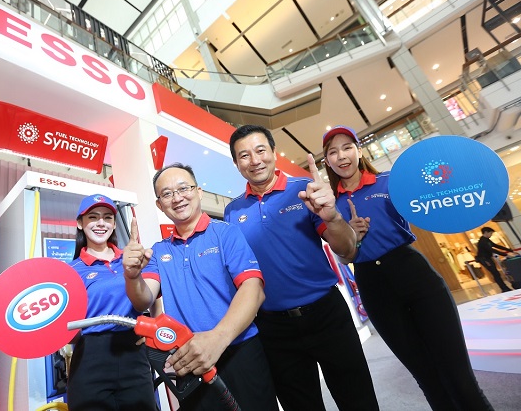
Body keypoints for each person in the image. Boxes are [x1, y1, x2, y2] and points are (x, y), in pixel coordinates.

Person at [321, 125, 493, 410]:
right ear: (327, 161)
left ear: (359, 151)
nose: (341, 156)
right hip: (373, 286)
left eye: (347, 147)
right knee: (428, 380)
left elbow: (431, 200)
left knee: (459, 377)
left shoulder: (390, 182)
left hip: (413, 273)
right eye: (333, 152)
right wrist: (350, 234)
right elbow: (343, 258)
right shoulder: (330, 205)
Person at [224, 125, 379, 411]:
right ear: (236, 164)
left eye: (260, 150)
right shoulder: (232, 211)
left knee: (358, 400)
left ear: (273, 152)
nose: (255, 160)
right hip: (273, 328)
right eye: (244, 155)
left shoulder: (304, 190)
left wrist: (332, 217)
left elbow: (347, 249)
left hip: (326, 314)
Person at [123, 163, 279, 411]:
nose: (177, 198)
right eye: (167, 194)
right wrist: (132, 276)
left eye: (183, 188)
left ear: (198, 191)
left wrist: (217, 339)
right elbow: (143, 299)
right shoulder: (159, 251)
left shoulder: (226, 233)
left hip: (239, 352)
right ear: (159, 205)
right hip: (190, 361)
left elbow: (254, 289)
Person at [66, 194, 157, 411]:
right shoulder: (70, 272)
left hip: (134, 352)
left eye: (107, 217)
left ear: (114, 224)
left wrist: (153, 331)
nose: (101, 223)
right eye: (93, 217)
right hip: (90, 356)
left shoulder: (135, 258)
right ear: (80, 223)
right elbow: (68, 329)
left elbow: (152, 300)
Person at [475, 226, 516, 292]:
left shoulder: (486, 240)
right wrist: (505, 254)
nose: (491, 235)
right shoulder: (483, 241)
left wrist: (509, 250)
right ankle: (504, 288)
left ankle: (504, 288)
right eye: (490, 233)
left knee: (496, 273)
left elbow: (496, 246)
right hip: (484, 259)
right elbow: (492, 250)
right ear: (486, 232)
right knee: (495, 273)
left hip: (487, 258)